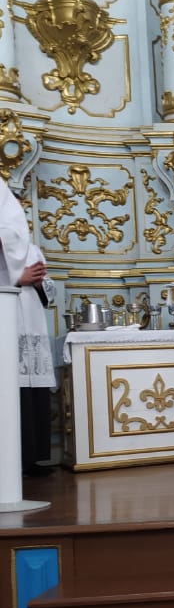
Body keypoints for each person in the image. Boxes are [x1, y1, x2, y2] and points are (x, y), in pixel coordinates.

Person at [0, 178, 56, 476]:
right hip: (6, 324)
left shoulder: (32, 249)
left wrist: (40, 282)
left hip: (31, 326)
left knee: (34, 395)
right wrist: (16, 278)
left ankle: (33, 458)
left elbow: (50, 288)